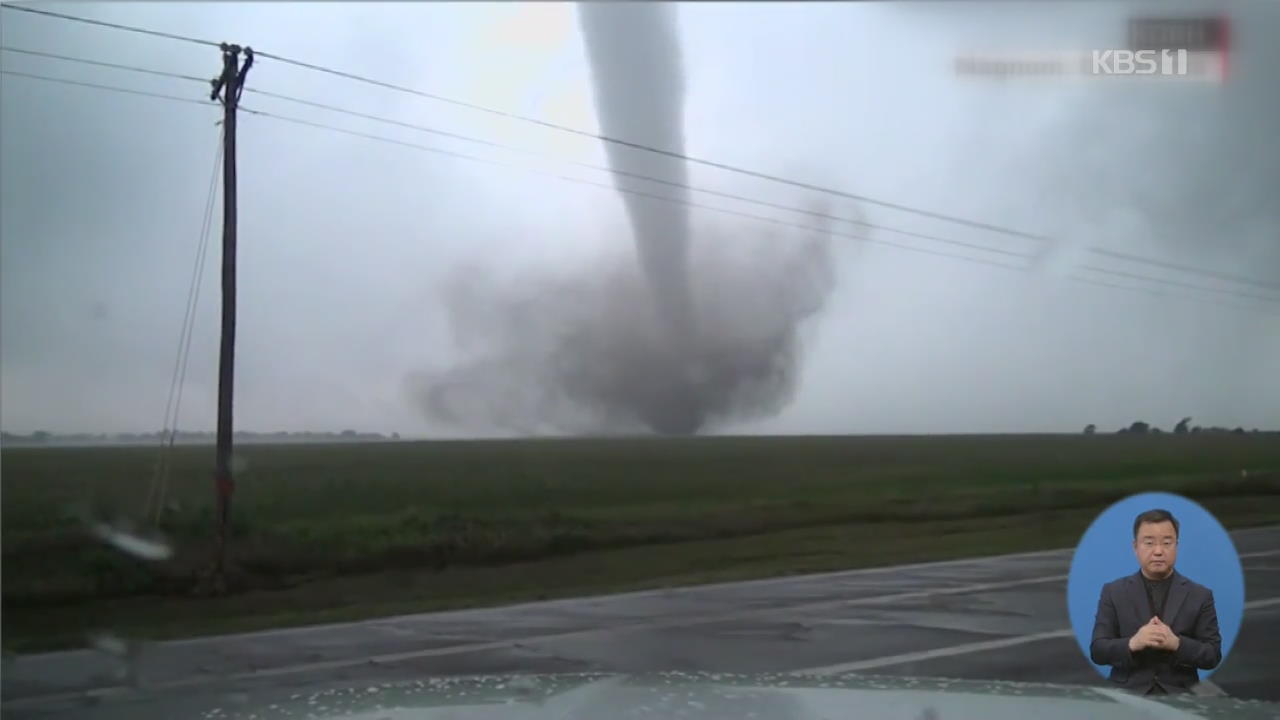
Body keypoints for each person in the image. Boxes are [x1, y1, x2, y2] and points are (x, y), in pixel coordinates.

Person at [1089, 508, 1222, 694]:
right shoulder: (1113, 592)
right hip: (1128, 696)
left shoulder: (1200, 595)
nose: (1158, 551)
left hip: (1181, 698)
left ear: (1176, 545)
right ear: (1135, 547)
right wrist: (1133, 643)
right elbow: (1098, 650)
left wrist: (1176, 644)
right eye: (1149, 543)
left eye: (1167, 543)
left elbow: (1212, 655)